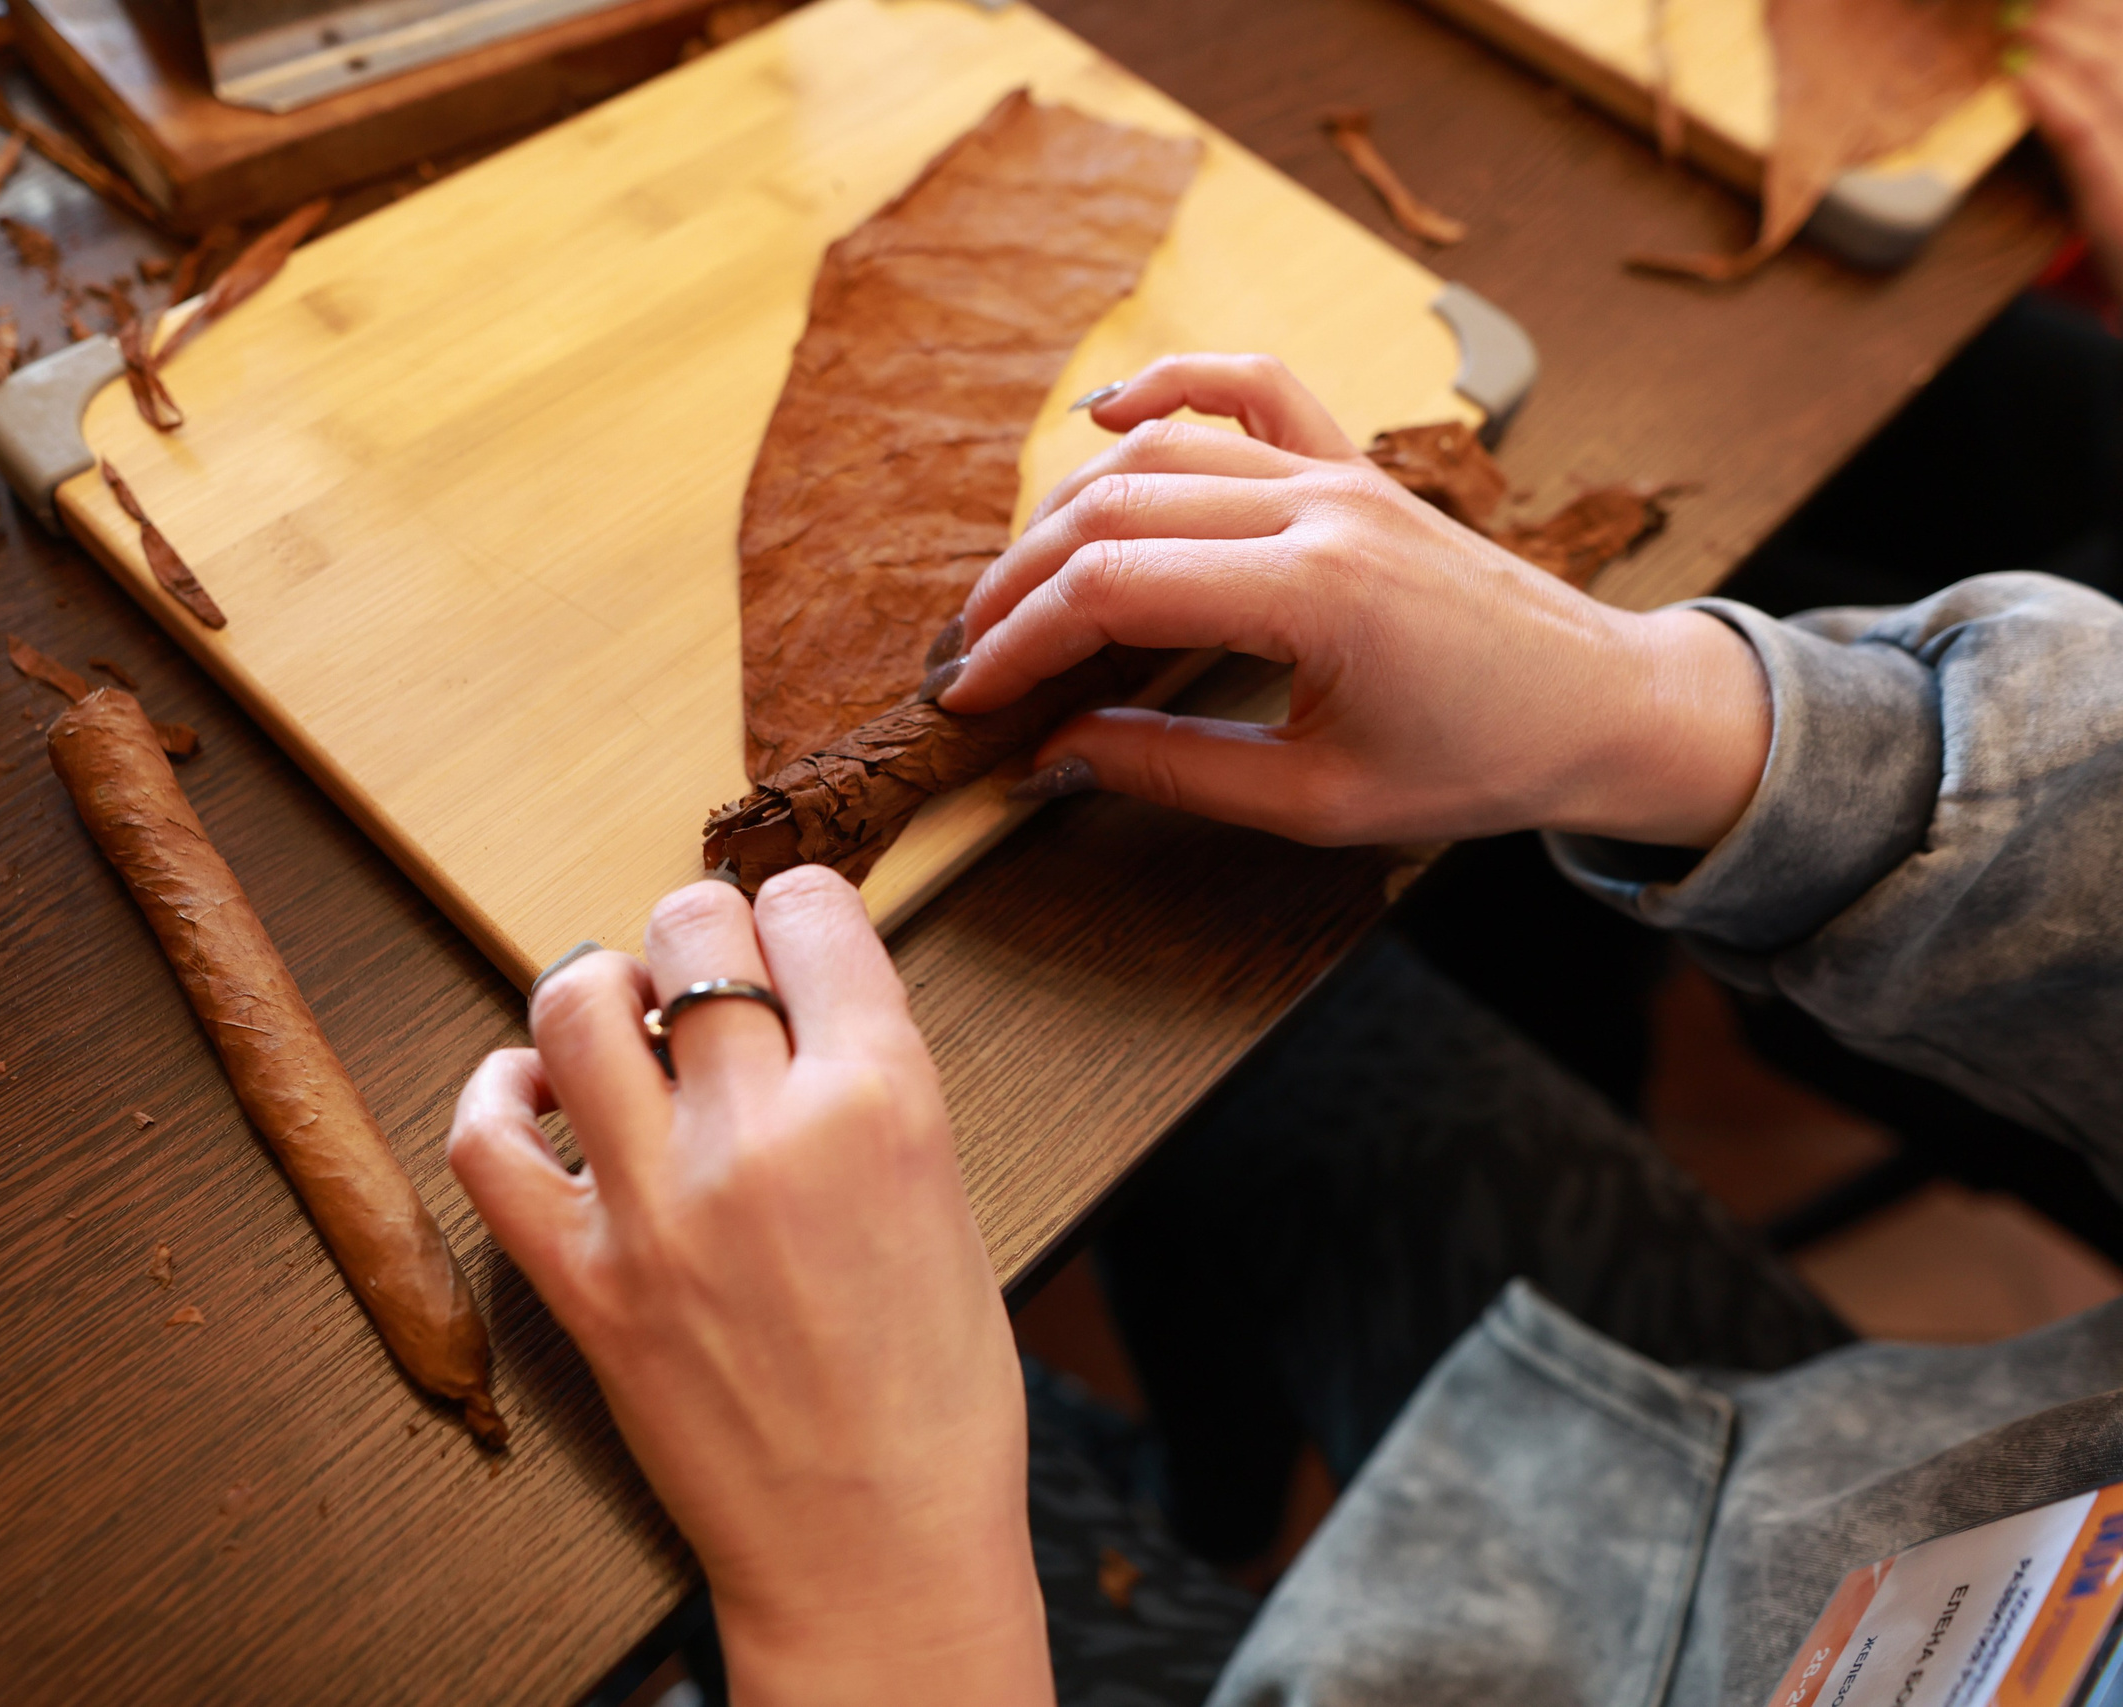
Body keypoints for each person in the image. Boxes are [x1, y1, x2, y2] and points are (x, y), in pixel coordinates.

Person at [444, 7, 2123, 1703]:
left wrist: (880, 1597)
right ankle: (1221, 1495)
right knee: (1231, 1003)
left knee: (562, 1543)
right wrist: (1676, 717)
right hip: (1816, 1498)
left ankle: (1172, 1519)